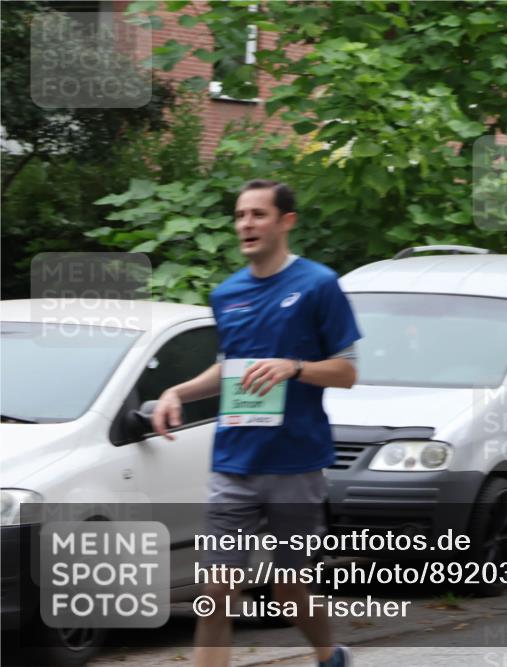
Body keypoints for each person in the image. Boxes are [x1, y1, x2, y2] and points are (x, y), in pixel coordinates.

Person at [152, 180, 361, 667]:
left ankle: (329, 655)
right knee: (215, 591)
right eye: (240, 215)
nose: (246, 224)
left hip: (296, 463)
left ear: (286, 221)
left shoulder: (318, 285)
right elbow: (229, 371)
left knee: (288, 588)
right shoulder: (228, 294)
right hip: (234, 463)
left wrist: (296, 368)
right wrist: (177, 391)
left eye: (258, 214)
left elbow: (348, 372)